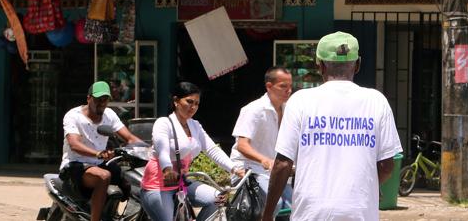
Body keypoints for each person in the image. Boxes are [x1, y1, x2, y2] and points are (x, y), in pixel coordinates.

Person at [262, 31, 403, 221]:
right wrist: (367, 187)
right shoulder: (376, 101)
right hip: (359, 212)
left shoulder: (300, 101)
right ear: (358, 65)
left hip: (311, 213)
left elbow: (282, 164)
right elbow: (386, 166)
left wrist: (267, 215)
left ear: (319, 65)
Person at [139, 82, 245, 221]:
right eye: (189, 102)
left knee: (218, 199)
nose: (193, 107)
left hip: (182, 183)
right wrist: (167, 169)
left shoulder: (195, 125)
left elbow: (212, 149)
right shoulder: (164, 123)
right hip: (159, 185)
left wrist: (234, 168)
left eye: (196, 103)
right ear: (176, 101)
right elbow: (162, 150)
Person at [59, 81, 144, 221]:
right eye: (98, 99)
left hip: (100, 163)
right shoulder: (73, 116)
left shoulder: (109, 114)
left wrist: (150, 149)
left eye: (105, 100)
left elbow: (129, 138)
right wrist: (97, 153)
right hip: (76, 164)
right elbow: (74, 144)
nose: (102, 103)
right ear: (88, 98)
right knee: (103, 176)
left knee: (130, 180)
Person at [229, 66, 294, 215]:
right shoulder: (253, 109)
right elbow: (242, 145)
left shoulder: (289, 110)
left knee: (295, 203)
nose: (288, 91)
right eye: (283, 86)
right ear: (269, 87)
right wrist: (265, 160)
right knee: (275, 204)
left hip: (272, 172)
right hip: (248, 170)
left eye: (290, 86)